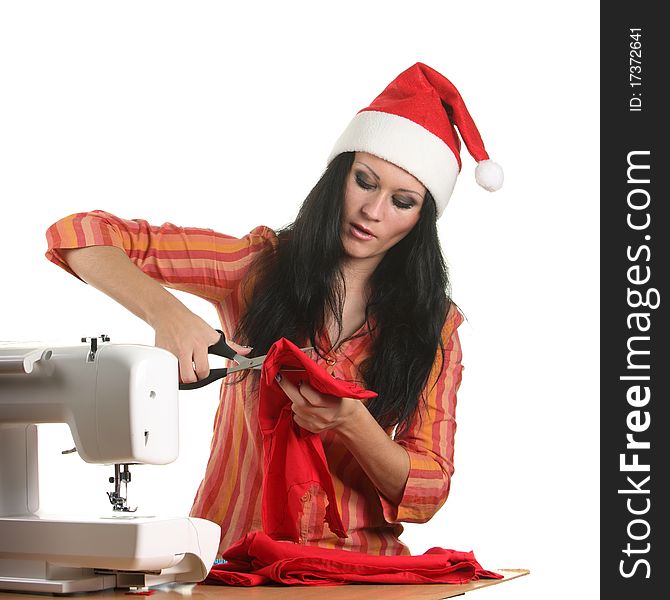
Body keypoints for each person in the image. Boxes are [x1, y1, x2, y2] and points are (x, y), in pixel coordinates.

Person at [45, 62, 502, 557]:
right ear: (338, 176)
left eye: (403, 201)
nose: (374, 211)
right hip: (233, 561)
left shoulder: (435, 325)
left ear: (421, 219)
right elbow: (80, 234)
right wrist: (168, 315)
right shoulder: (255, 268)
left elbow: (429, 488)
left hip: (358, 575)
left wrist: (352, 422)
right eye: (365, 181)